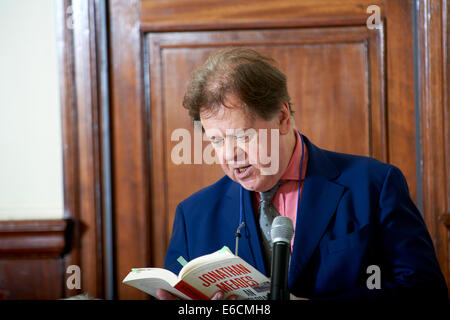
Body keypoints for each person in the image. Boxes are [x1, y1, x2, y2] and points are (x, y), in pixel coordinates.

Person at [157, 48, 448, 300]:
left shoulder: (374, 185)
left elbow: (425, 291)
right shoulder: (193, 214)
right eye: (217, 141)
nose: (229, 155)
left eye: (241, 136)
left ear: (282, 118)